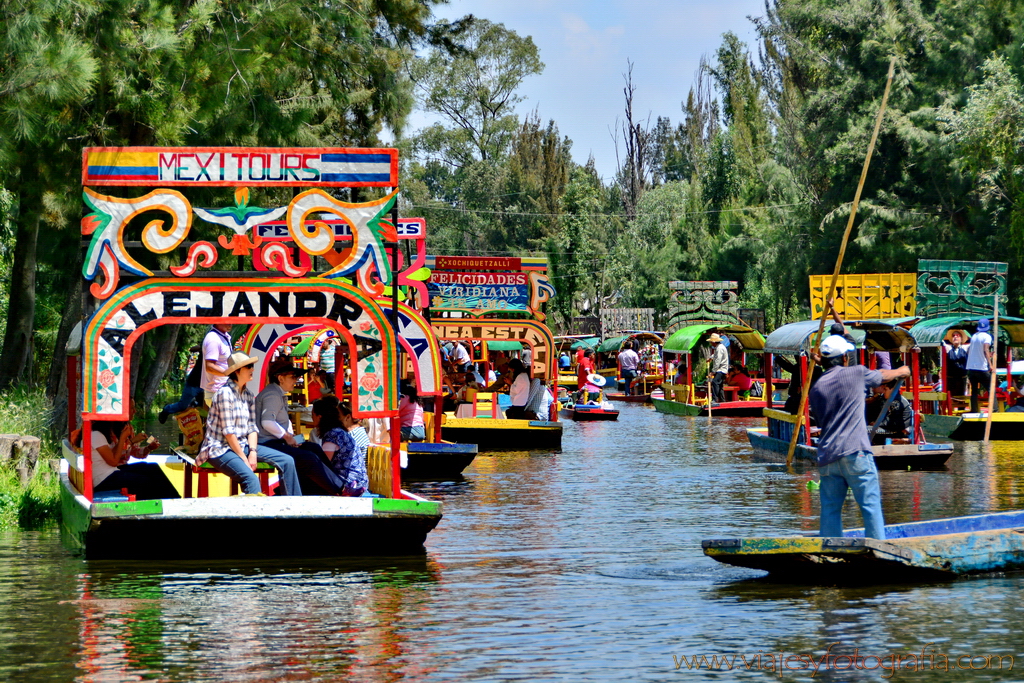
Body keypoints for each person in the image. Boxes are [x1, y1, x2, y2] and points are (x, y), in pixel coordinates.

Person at [809, 335, 909, 540]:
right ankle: (878, 552)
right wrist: (902, 371)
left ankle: (830, 553)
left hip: (828, 455)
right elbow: (881, 375)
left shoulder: (817, 388)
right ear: (845, 358)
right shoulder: (855, 373)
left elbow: (820, 419)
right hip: (855, 453)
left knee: (829, 510)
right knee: (870, 505)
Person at [197, 352, 302, 496]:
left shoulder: (248, 395)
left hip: (243, 445)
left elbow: (252, 428)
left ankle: (294, 511)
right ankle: (253, 517)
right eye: (248, 367)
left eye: (252, 366)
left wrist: (252, 452)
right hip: (220, 449)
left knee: (287, 461)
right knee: (251, 480)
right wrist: (244, 458)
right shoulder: (224, 394)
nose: (253, 369)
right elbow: (229, 433)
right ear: (237, 371)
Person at [89, 417, 179, 501]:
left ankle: (174, 500)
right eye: (131, 408)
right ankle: (158, 509)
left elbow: (126, 452)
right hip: (108, 474)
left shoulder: (126, 428)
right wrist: (126, 440)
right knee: (144, 481)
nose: (133, 411)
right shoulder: (98, 434)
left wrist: (148, 448)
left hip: (112, 471)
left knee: (152, 468)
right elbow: (114, 460)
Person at [158, 346, 203, 424]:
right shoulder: (209, 345)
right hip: (194, 383)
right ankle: (167, 409)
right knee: (183, 406)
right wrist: (203, 347)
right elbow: (192, 349)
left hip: (207, 385)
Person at [865, 379, 914, 444]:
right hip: (891, 429)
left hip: (897, 432)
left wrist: (878, 423)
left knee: (866, 431)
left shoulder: (897, 402)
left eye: (885, 389)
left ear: (892, 390)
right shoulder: (890, 400)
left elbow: (894, 423)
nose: (883, 392)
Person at [201, 323, 234, 406]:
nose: (231, 323)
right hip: (217, 392)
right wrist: (232, 373)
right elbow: (210, 367)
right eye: (228, 320)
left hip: (223, 390)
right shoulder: (213, 339)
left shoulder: (222, 336)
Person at [966, 318, 994, 413]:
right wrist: (990, 365)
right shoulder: (987, 336)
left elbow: (970, 350)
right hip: (981, 367)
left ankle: (974, 410)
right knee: (991, 388)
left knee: (974, 390)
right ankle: (994, 410)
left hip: (971, 367)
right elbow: (986, 349)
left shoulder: (974, 336)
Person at [707, 333, 729, 404]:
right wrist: (711, 358)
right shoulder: (719, 347)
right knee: (720, 385)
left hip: (721, 369)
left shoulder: (720, 348)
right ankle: (722, 401)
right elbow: (716, 356)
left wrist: (713, 371)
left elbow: (718, 360)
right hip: (721, 369)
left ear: (713, 342)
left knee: (715, 382)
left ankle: (715, 400)